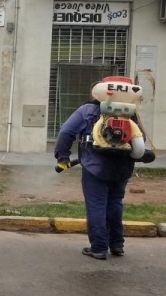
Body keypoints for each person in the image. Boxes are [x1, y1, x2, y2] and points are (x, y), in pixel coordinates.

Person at [54, 76, 152, 260]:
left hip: (94, 167)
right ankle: (117, 245)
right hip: (122, 167)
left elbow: (66, 132)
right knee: (115, 203)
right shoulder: (129, 112)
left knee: (97, 205)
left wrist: (63, 157)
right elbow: (140, 141)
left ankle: (98, 247)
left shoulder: (87, 110)